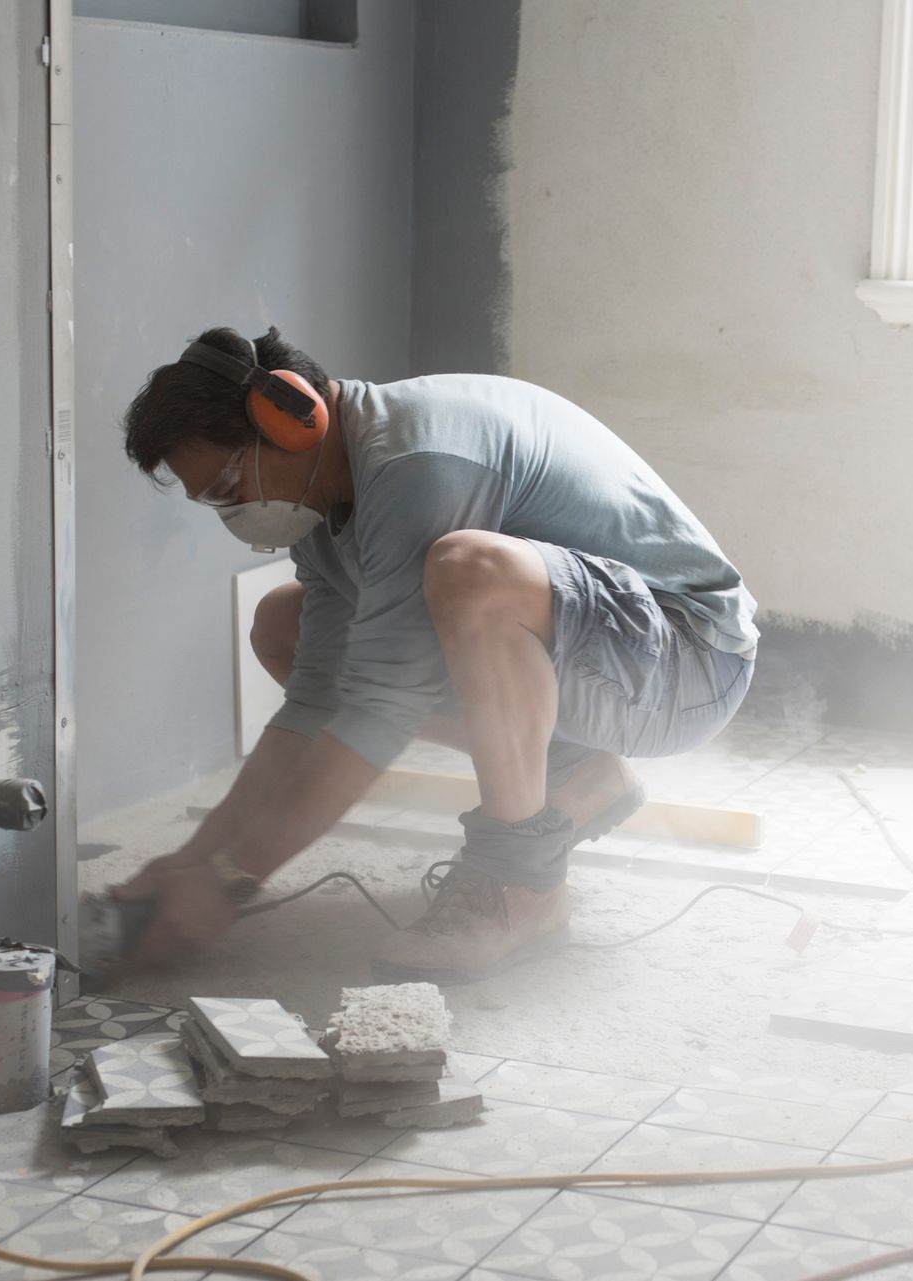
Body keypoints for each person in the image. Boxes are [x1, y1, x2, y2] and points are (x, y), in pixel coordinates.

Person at [108, 326, 758, 982]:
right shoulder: (326, 500)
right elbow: (319, 699)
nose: (233, 512)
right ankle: (576, 770)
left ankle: (522, 887)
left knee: (468, 571)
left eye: (227, 486)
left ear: (291, 420)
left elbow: (380, 708)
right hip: (601, 660)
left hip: (689, 658)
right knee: (285, 624)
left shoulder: (414, 463)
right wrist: (198, 859)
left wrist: (231, 881)